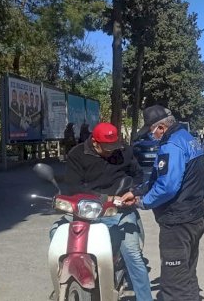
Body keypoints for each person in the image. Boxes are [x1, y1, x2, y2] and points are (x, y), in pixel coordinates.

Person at [50, 122, 152, 301]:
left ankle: (144, 298)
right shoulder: (77, 154)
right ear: (95, 142)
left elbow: (138, 175)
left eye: (114, 146)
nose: (112, 151)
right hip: (86, 210)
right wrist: (106, 198)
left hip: (119, 211)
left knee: (133, 255)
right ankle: (62, 282)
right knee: (55, 234)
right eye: (107, 147)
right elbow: (73, 186)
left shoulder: (124, 151)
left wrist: (134, 192)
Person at [121, 105, 204, 301]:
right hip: (194, 217)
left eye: (151, 131)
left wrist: (143, 202)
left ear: (160, 127)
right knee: (187, 273)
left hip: (178, 222)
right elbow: (158, 178)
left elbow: (168, 186)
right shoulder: (187, 138)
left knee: (173, 283)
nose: (151, 135)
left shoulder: (172, 145)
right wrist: (136, 191)